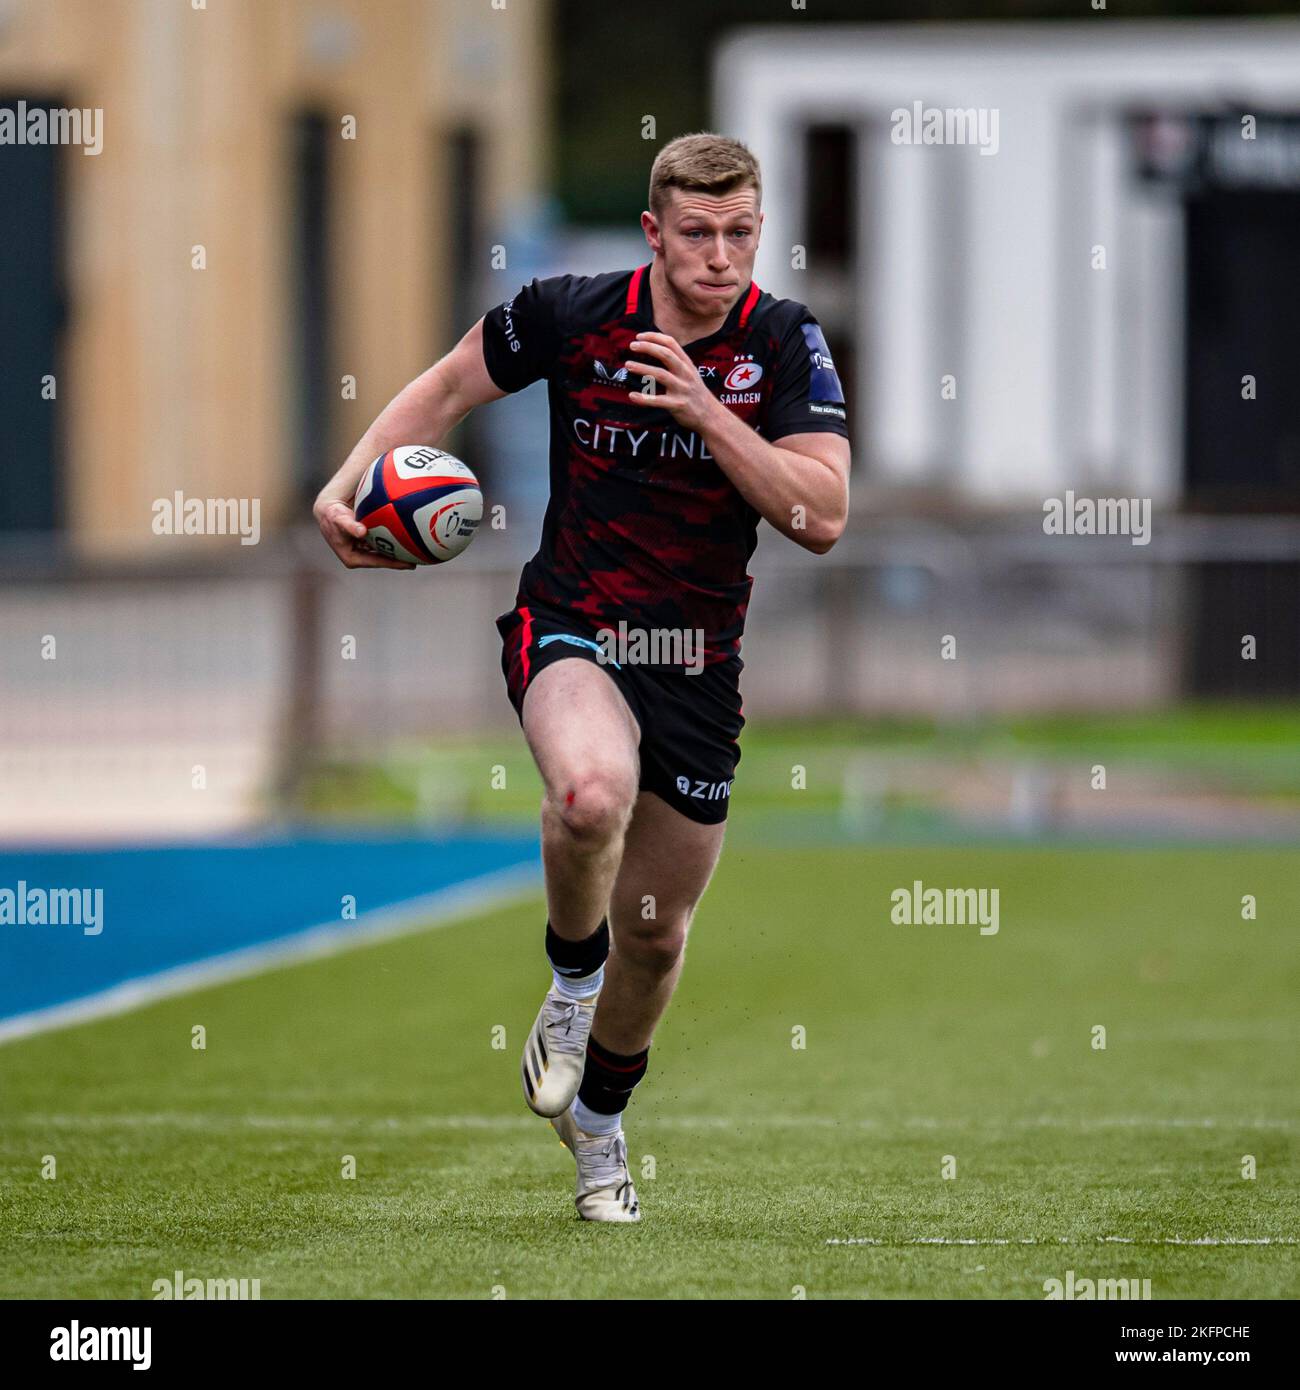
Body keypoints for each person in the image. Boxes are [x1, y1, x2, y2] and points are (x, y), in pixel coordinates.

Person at [315, 132, 851, 1223]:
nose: (719, 255)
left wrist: (707, 410)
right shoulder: (570, 311)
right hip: (574, 623)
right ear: (654, 232)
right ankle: (568, 981)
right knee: (587, 793)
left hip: (698, 659)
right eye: (696, 233)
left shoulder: (783, 341)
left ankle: (599, 1128)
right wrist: (345, 483)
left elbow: (821, 517)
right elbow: (446, 385)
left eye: (739, 232)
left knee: (656, 935)